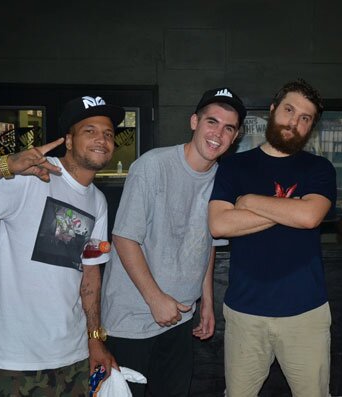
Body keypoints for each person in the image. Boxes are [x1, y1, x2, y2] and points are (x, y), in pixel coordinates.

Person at [100, 87, 246, 397]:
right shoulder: (152, 166)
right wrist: (155, 298)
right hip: (132, 319)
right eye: (212, 121)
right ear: (194, 121)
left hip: (180, 319)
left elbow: (205, 243)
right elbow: (124, 237)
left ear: (235, 137)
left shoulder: (222, 179)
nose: (218, 133)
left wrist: (206, 302)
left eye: (228, 128)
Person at [208, 79, 336, 397]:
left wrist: (249, 201)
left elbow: (309, 217)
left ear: (311, 128)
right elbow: (219, 225)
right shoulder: (234, 165)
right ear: (272, 110)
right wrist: (290, 208)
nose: (294, 122)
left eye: (305, 118)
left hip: (306, 313)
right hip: (245, 313)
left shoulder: (319, 168)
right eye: (289, 110)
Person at [0, 95, 123, 395]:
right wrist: (5, 165)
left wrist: (94, 339)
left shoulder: (98, 201)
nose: (101, 139)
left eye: (108, 133)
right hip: (15, 359)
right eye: (89, 130)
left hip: (73, 356)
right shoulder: (31, 175)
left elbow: (90, 273)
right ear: (68, 139)